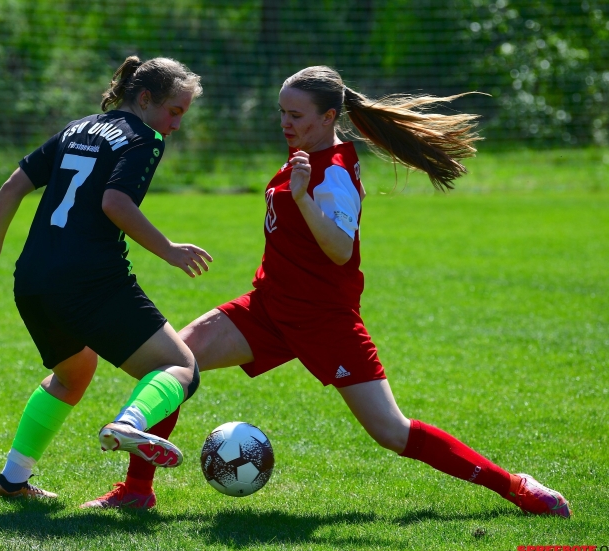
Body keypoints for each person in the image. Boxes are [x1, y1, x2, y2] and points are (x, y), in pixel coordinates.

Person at [95, 66, 571, 518]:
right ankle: (137, 491)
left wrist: (302, 197)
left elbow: (340, 250)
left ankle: (516, 486)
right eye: (281, 112)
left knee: (391, 432)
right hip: (268, 307)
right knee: (175, 365)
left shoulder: (334, 171)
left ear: (328, 118)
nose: (284, 123)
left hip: (325, 320)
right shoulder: (308, 150)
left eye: (295, 115)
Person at [0, 56, 212, 500]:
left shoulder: (79, 127)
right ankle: (128, 424)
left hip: (32, 278)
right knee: (182, 367)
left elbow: (15, 183)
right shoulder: (144, 138)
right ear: (145, 99)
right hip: (90, 279)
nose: (176, 124)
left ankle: (12, 481)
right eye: (175, 110)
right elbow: (116, 203)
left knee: (73, 375)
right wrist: (169, 250)